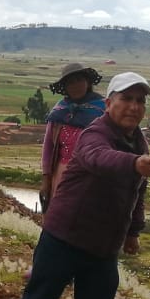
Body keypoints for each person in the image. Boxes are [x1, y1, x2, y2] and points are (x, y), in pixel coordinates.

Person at [0, 72, 150, 299]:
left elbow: (138, 191)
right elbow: (99, 159)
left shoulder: (138, 142)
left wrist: (134, 231)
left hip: (104, 248)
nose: (134, 106)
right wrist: (134, 163)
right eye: (126, 99)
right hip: (64, 238)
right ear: (108, 103)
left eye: (140, 101)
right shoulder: (95, 133)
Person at [40, 62, 106, 212]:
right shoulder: (59, 111)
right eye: (70, 82)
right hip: (61, 174)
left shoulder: (103, 110)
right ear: (65, 87)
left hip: (91, 175)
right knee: (59, 216)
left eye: (79, 80)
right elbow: (48, 147)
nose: (76, 85)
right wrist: (46, 179)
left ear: (87, 82)